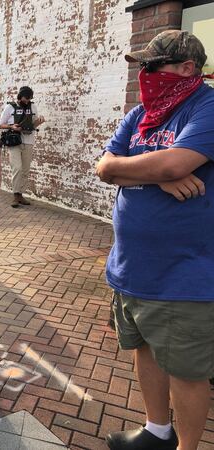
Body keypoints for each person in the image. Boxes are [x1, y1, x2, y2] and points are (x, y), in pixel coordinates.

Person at [96, 30, 214, 450]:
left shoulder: (208, 107)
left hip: (182, 274)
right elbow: (104, 167)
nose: (145, 75)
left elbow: (176, 163)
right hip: (131, 268)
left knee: (186, 370)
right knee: (142, 348)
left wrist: (156, 169)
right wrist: (159, 174)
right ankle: (157, 431)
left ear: (187, 69)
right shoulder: (142, 113)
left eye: (152, 66)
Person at [0, 86, 45, 207]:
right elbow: (0, 124)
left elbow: (33, 124)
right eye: (26, 98)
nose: (28, 101)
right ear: (20, 96)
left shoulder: (32, 107)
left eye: (30, 98)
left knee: (25, 170)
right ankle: (15, 195)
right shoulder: (10, 107)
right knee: (17, 168)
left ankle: (20, 194)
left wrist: (39, 122)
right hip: (14, 142)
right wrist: (11, 127)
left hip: (28, 141)